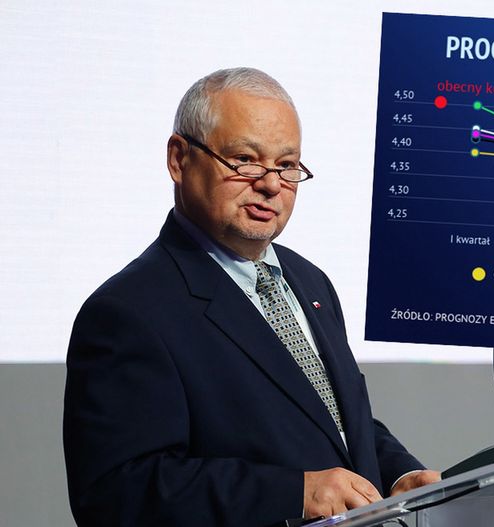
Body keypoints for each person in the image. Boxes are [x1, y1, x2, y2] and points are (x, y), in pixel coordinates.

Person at [63, 67, 440, 527]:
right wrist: (295, 494)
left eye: (287, 165)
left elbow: (334, 423)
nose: (271, 184)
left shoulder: (311, 281)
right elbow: (118, 494)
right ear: (179, 159)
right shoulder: (127, 312)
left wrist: (399, 473)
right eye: (245, 159)